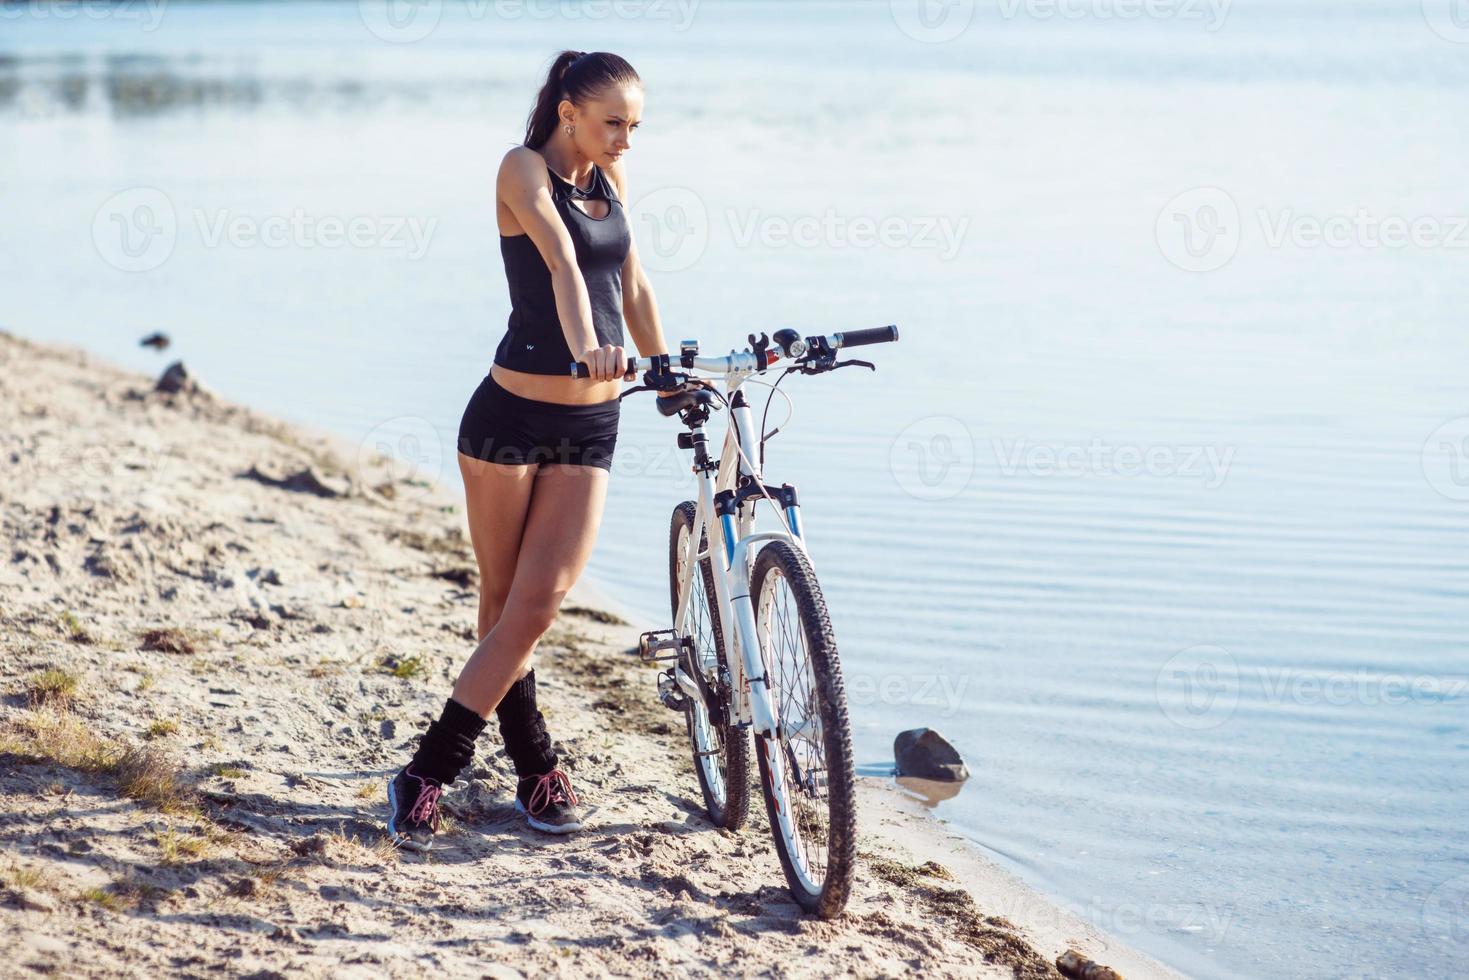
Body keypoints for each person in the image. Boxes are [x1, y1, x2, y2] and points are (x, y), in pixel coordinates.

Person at [386, 50, 677, 850]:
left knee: (535, 604)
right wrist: (586, 343)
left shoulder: (608, 186)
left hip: (592, 424)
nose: (625, 139)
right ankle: (497, 770)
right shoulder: (521, 170)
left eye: (634, 125)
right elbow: (558, 260)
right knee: (506, 601)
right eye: (613, 122)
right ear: (567, 111)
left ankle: (455, 769)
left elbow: (635, 288)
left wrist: (665, 368)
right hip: (508, 418)